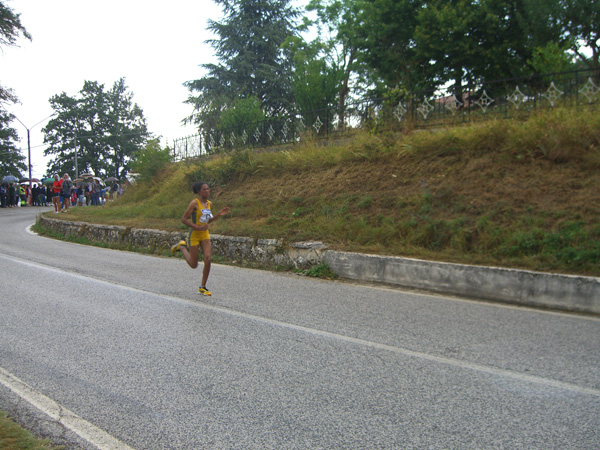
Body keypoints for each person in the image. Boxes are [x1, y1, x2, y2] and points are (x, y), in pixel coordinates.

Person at [171, 181, 230, 296]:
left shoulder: (209, 204)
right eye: (204, 189)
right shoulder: (194, 203)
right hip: (194, 234)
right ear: (199, 191)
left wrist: (218, 215)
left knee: (208, 259)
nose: (207, 191)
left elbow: (207, 221)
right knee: (194, 265)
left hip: (204, 234)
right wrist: (197, 227)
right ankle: (182, 247)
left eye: (208, 189)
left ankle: (202, 287)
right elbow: (184, 219)